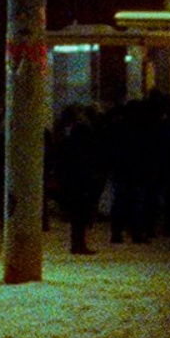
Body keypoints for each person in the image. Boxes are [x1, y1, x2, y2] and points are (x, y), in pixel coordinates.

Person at [55, 101, 109, 256]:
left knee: (76, 216)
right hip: (82, 181)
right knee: (80, 215)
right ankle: (79, 244)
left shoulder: (67, 140)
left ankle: (77, 244)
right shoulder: (85, 140)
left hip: (72, 181)